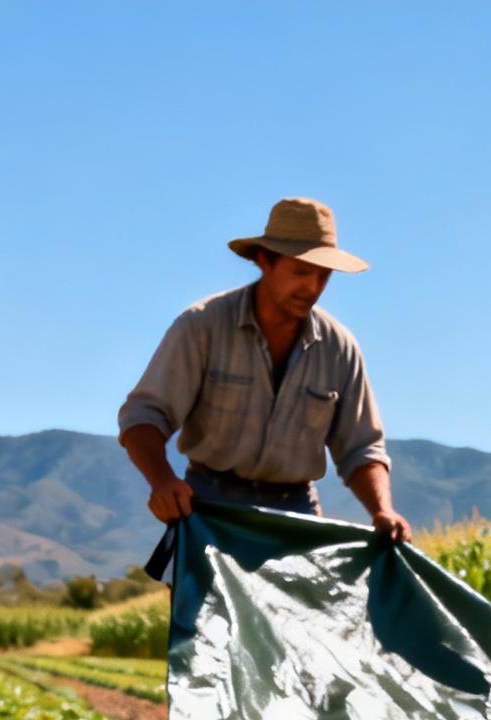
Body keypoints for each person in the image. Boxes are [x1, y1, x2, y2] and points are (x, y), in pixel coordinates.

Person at [118, 197, 411, 541]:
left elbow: (361, 448)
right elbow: (144, 415)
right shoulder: (202, 326)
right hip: (211, 506)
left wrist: (382, 509)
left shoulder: (339, 348)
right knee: (203, 596)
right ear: (264, 261)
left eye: (323, 275)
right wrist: (163, 481)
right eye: (301, 272)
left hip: (296, 511)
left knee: (306, 598)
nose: (313, 288)